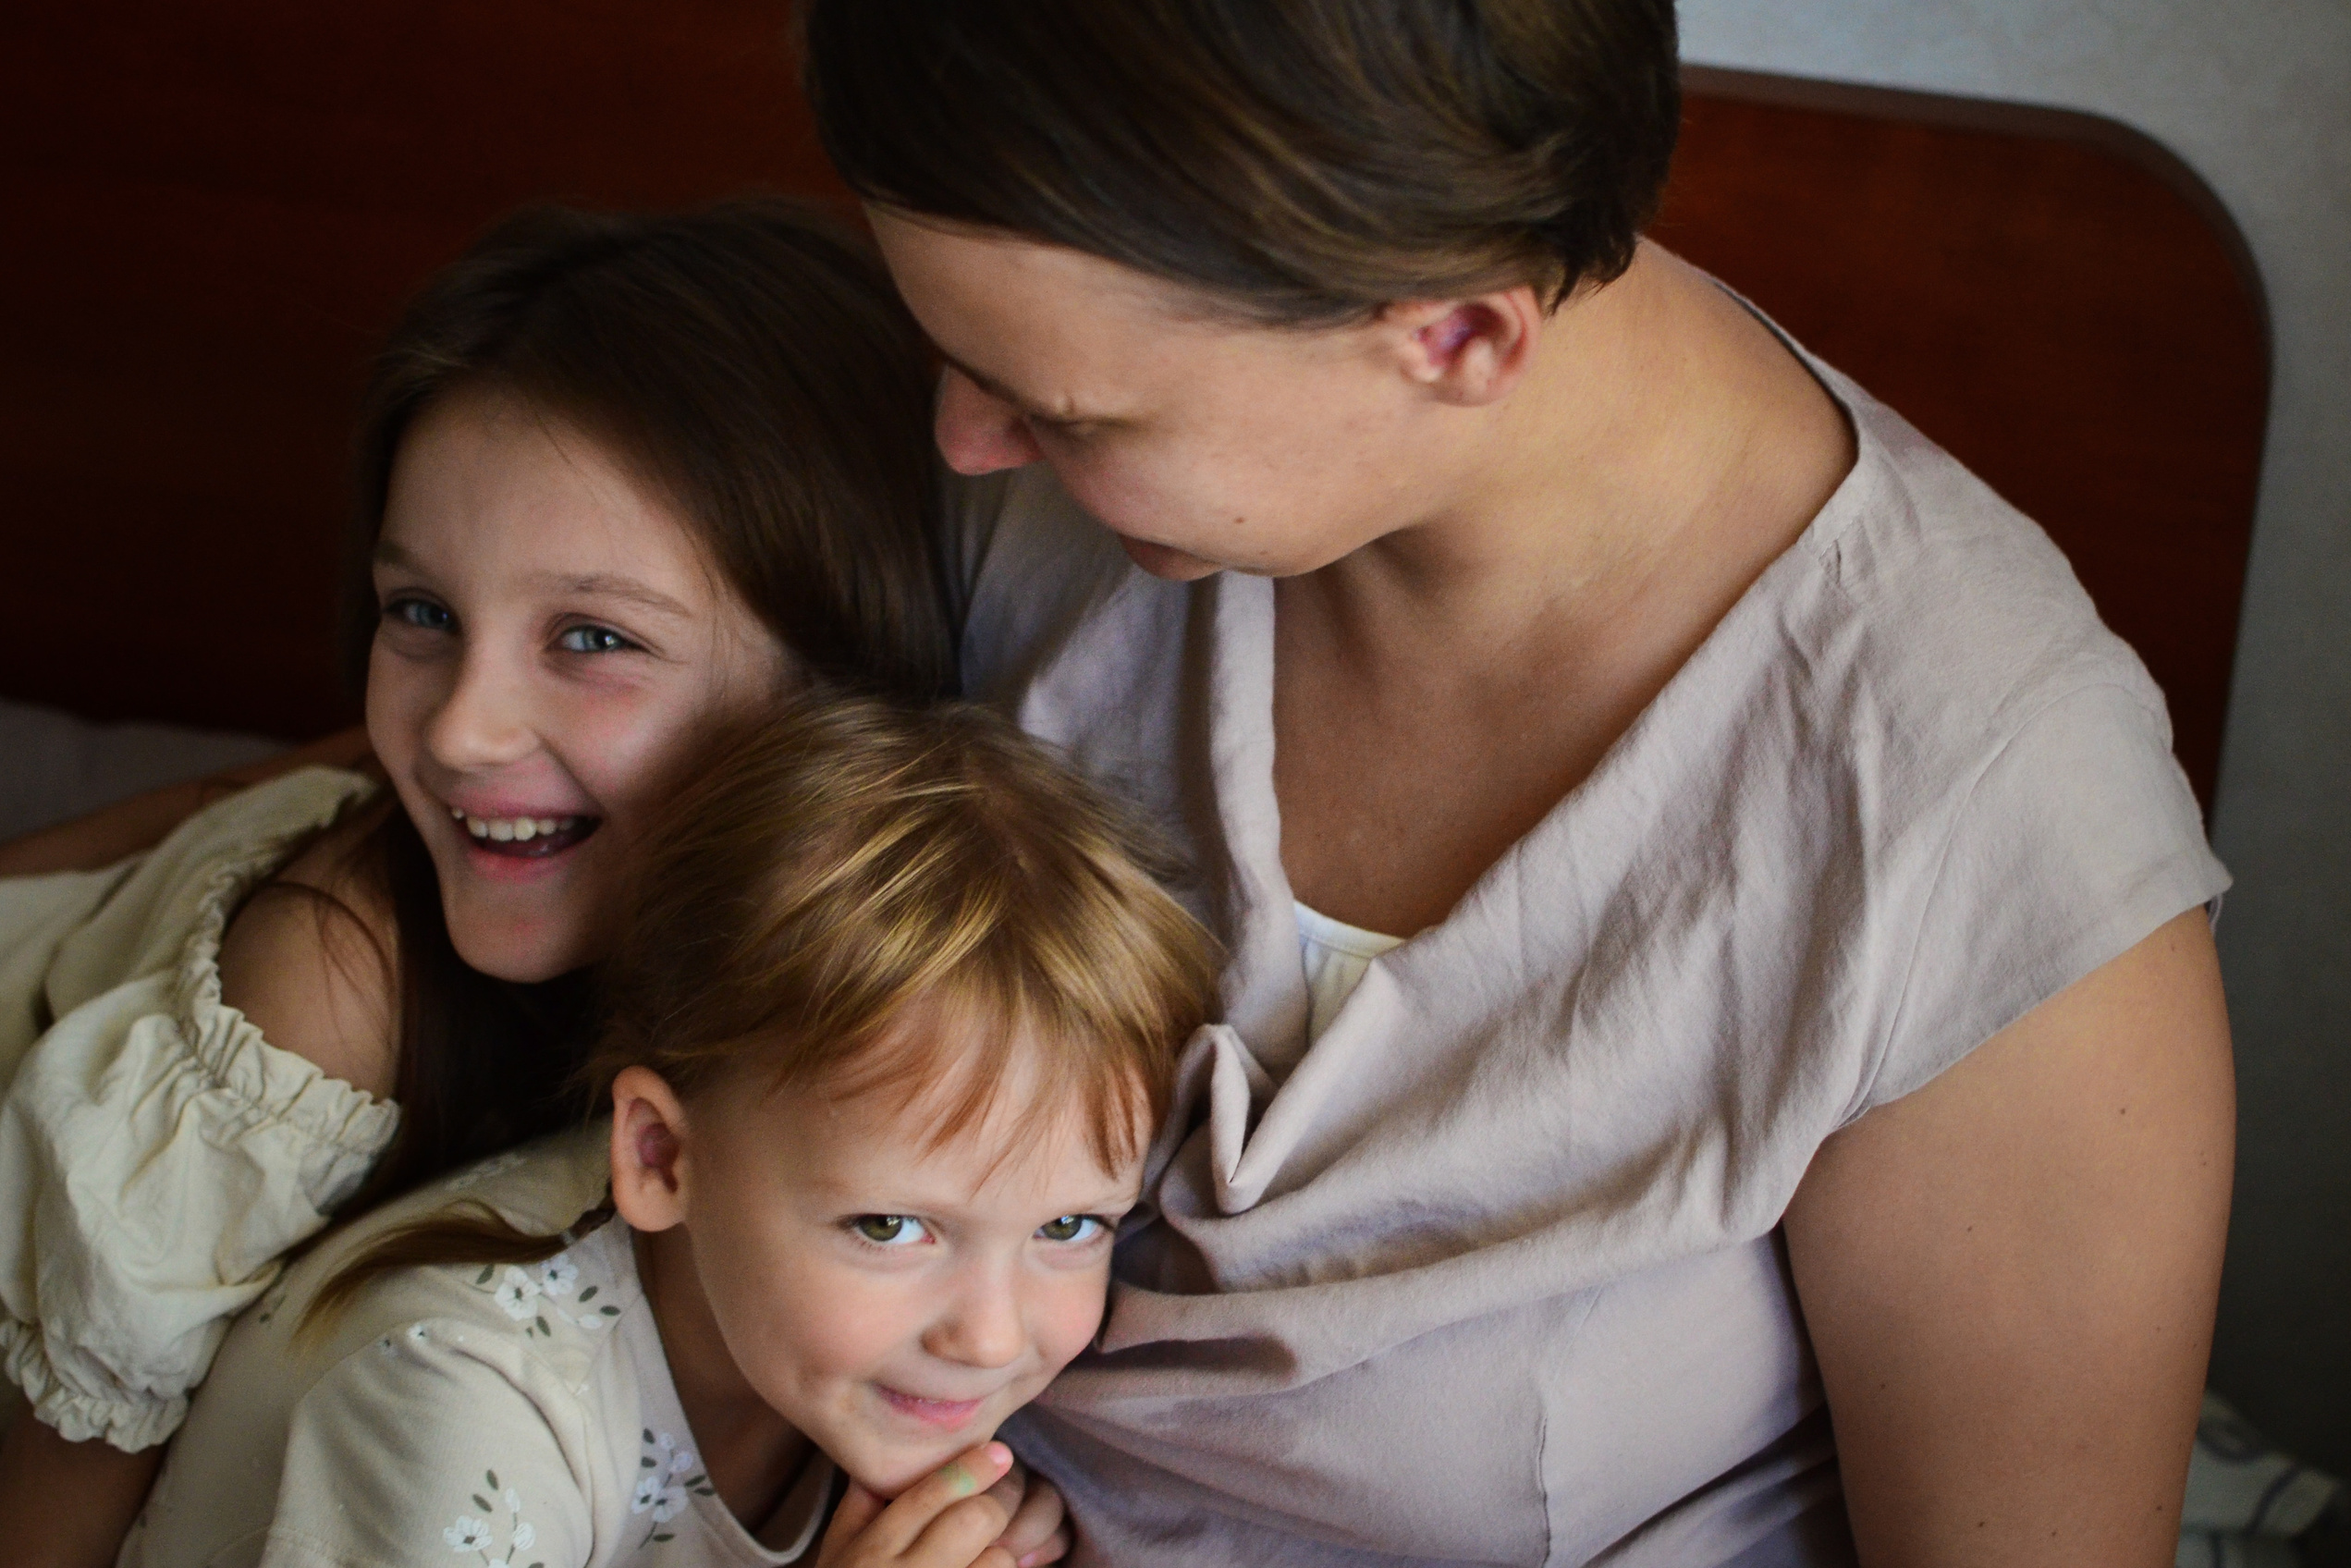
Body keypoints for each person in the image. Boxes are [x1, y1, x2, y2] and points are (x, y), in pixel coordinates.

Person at [799, 3, 2237, 1563]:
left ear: (1459, 337)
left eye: (1071, 412)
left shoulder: (1977, 817)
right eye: (961, 355)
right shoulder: (1052, 533)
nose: (964, 446)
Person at [0, 199, 958, 1564]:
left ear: (841, 686)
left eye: (590, 635)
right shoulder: (329, 987)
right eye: (422, 613)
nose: (457, 732)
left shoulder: (888, 939)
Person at [120, 696, 1216, 1568]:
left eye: (1070, 1222)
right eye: (890, 1226)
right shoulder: (453, 1395)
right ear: (659, 1156)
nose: (989, 1335)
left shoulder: (822, 1347)